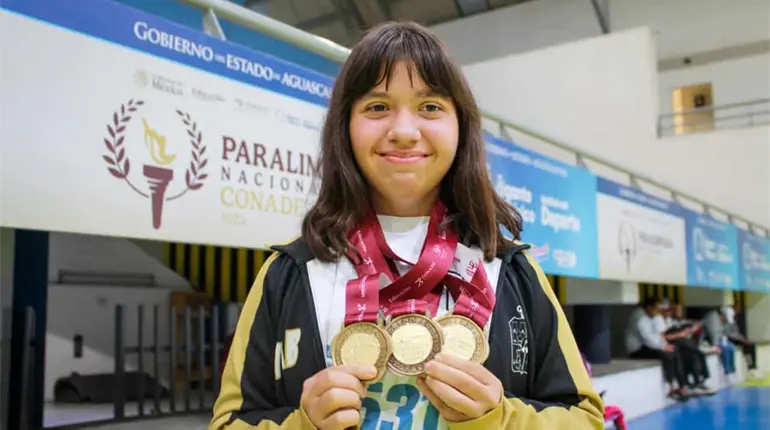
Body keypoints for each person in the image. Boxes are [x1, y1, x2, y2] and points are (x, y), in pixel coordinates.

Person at [210, 21, 604, 430]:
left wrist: (502, 419)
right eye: (377, 107)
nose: (402, 131)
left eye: (430, 107)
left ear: (461, 127)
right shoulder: (288, 272)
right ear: (344, 127)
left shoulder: (512, 270)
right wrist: (301, 424)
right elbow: (227, 423)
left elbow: (588, 420)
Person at [625, 298, 690, 401]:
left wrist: (665, 346)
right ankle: (670, 386)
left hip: (648, 346)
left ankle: (681, 385)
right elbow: (648, 338)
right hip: (637, 350)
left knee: (675, 351)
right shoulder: (640, 317)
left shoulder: (650, 316)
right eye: (657, 309)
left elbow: (658, 334)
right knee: (666, 355)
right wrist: (664, 347)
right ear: (649, 308)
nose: (658, 312)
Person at [662, 304, 716, 395]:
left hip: (683, 344)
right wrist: (681, 335)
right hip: (672, 344)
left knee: (695, 353)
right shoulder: (661, 321)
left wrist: (690, 331)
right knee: (692, 349)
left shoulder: (680, 321)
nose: (677, 312)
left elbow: (689, 330)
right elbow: (663, 337)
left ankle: (698, 382)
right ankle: (695, 383)